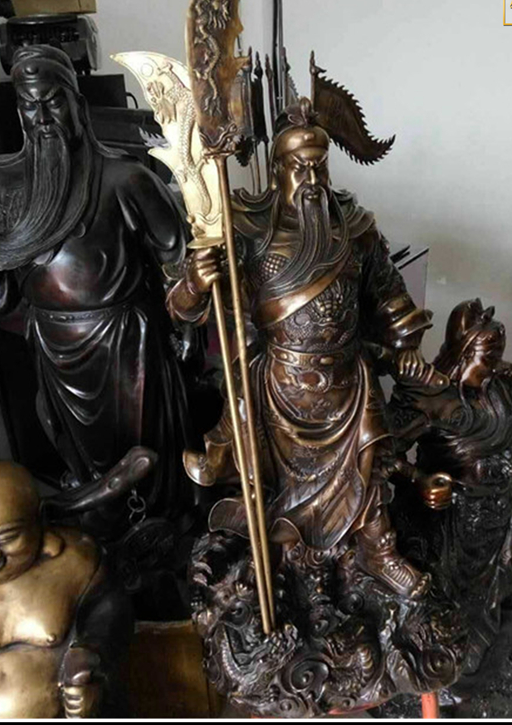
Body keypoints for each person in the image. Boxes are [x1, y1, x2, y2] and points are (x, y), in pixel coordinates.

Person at [167, 97, 448, 599]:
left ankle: (378, 550)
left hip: (347, 379)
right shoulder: (248, 228)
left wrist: (406, 342)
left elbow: (388, 295)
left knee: (370, 462)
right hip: (281, 383)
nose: (313, 178)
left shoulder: (354, 226)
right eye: (301, 167)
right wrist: (194, 281)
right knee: (270, 479)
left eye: (320, 165)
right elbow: (186, 308)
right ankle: (276, 556)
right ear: (278, 170)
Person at [0, 45, 201, 540]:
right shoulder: (4, 184)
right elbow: (1, 297)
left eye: (53, 100)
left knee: (147, 450)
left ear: (77, 103)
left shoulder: (127, 179)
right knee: (76, 448)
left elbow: (180, 260)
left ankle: (163, 536)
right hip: (52, 342)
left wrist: (188, 327)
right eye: (29, 105)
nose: (43, 117)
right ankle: (104, 529)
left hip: (126, 341)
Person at [389, 299, 512, 672]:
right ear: (462, 354)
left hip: (498, 505)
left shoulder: (497, 386)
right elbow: (380, 455)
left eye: (497, 358)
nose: (494, 368)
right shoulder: (431, 398)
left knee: (494, 571)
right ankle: (459, 643)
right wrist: (418, 479)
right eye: (486, 360)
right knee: (455, 587)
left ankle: (500, 594)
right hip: (452, 515)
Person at [0, 460, 133, 719]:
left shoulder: (75, 561)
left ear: (38, 519)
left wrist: (93, 660)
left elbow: (112, 617)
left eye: (7, 538)